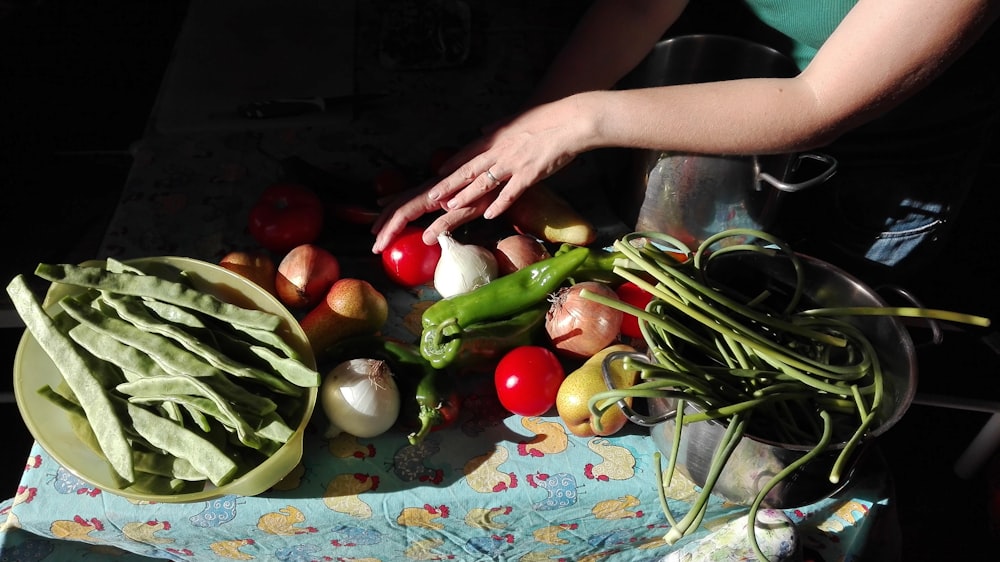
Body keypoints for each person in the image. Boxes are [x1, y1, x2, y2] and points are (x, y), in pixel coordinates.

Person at [371, 0, 1000, 286]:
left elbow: (816, 104)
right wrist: (517, 141)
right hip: (724, 126)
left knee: (798, 355)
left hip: (869, 181)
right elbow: (638, 8)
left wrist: (576, 122)